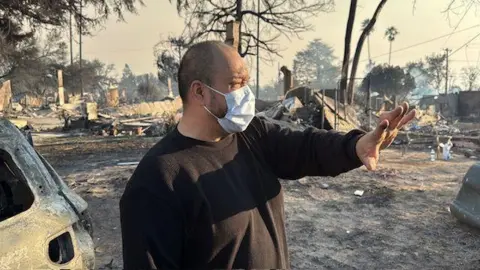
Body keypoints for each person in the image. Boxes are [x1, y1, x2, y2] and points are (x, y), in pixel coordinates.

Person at [119, 40, 416, 269]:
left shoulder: (253, 134)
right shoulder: (158, 181)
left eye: (247, 83)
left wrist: (356, 146)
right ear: (199, 92)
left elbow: (308, 147)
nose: (246, 95)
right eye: (236, 84)